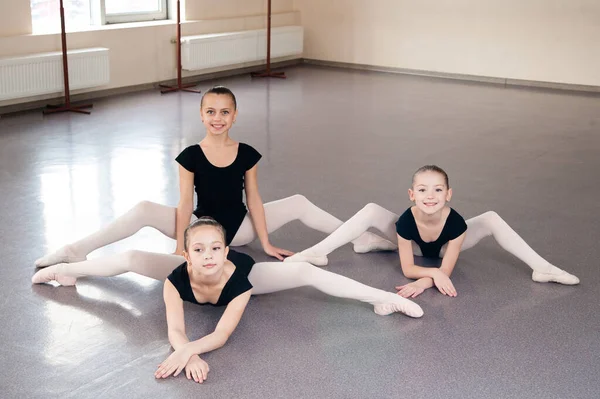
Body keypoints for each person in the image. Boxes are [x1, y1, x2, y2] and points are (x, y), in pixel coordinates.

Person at [34, 86, 394, 267]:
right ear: (201, 116)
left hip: (240, 229)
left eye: (225, 111)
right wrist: (180, 245)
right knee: (144, 207)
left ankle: (358, 238)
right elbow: (185, 202)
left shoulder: (247, 153)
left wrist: (265, 243)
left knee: (298, 202)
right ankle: (75, 250)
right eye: (211, 111)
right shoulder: (189, 155)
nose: (217, 117)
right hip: (201, 225)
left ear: (234, 116)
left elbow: (253, 198)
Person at [32, 217, 424, 383]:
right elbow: (174, 328)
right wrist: (189, 352)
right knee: (133, 259)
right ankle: (64, 272)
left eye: (214, 247)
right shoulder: (174, 278)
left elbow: (221, 334)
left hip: (248, 272)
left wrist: (185, 353)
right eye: (199, 249)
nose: (207, 254)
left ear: (223, 250)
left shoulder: (238, 278)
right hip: (195, 277)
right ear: (186, 254)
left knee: (305, 274)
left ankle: (383, 299)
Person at [285, 165, 580, 298]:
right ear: (412, 194)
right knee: (372, 209)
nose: (430, 196)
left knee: (490, 218)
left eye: (438, 190)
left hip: (444, 247)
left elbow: (445, 269)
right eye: (423, 190)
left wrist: (430, 280)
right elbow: (408, 267)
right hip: (413, 246)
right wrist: (433, 274)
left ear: (448, 194)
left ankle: (543, 268)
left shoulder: (457, 223)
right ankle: (316, 252)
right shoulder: (405, 220)